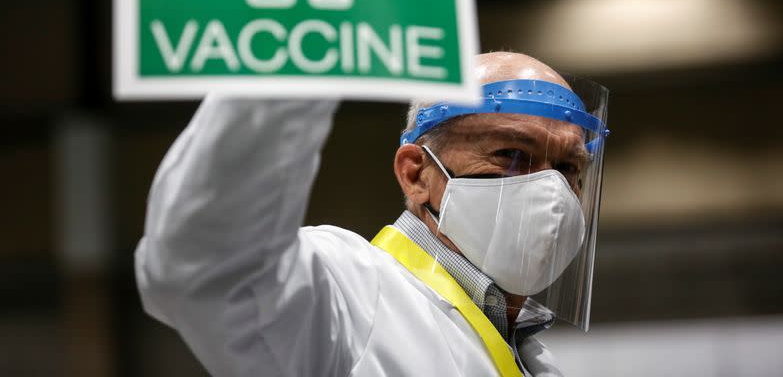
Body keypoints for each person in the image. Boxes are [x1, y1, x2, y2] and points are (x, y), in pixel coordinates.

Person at [135, 51, 610, 376]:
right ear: (416, 175)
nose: (551, 189)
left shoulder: (529, 357)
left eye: (569, 167)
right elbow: (207, 265)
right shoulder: (345, 298)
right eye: (511, 153)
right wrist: (294, 52)